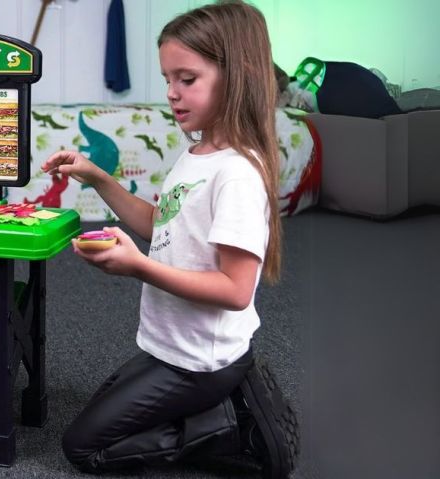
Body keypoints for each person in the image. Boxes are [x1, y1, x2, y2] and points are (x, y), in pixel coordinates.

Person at [44, 2, 298, 478]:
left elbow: (236, 290)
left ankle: (230, 426)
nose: (171, 94)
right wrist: (98, 177)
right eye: (168, 79)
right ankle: (224, 401)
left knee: (82, 447)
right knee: (101, 414)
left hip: (201, 361)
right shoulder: (199, 151)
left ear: (237, 75)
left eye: (187, 79)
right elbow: (162, 222)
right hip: (170, 347)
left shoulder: (237, 173)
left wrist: (138, 266)